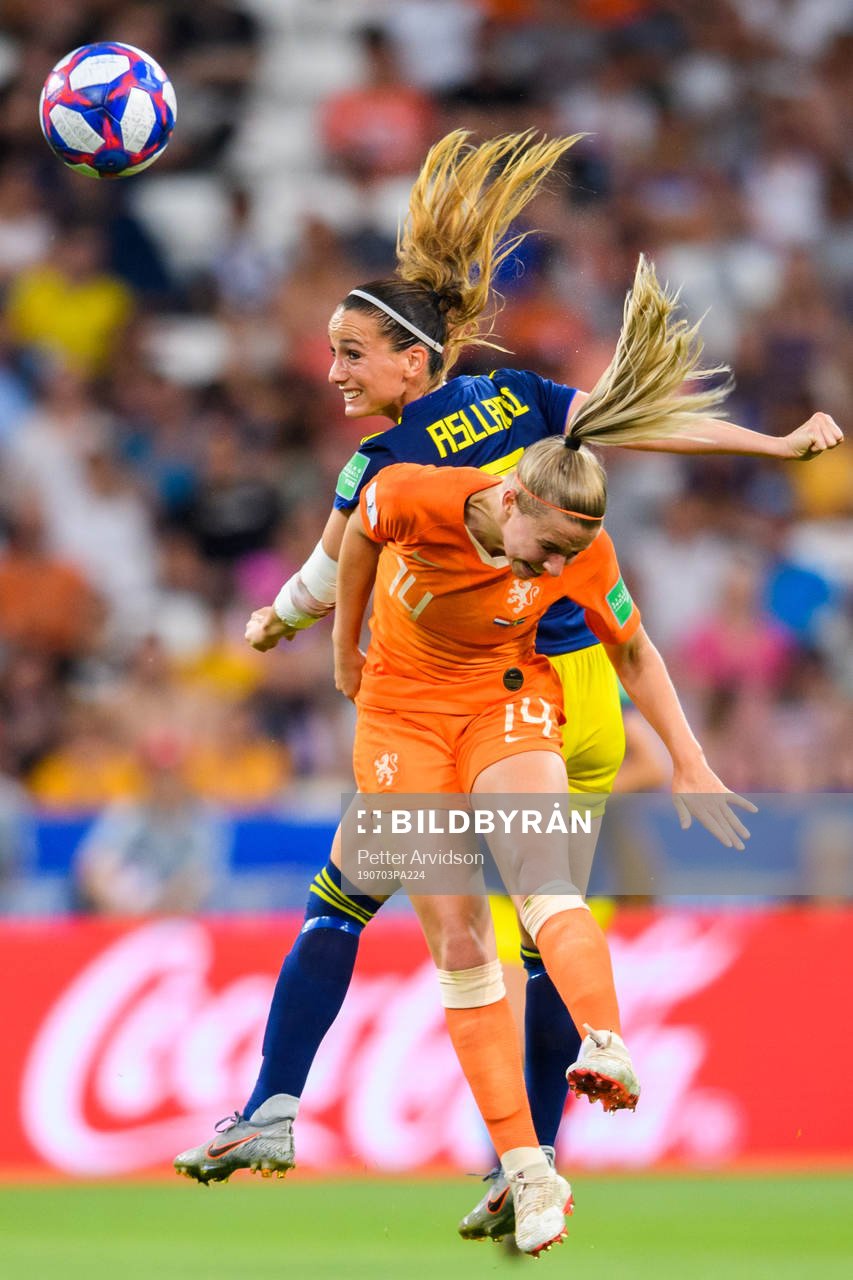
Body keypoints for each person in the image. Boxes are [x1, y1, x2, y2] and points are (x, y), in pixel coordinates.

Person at [174, 131, 842, 1237]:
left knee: (440, 926)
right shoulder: (517, 394)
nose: (333, 374)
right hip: (571, 681)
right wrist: (772, 445)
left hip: (496, 684)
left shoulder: (391, 468)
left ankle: (442, 1133)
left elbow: (334, 561)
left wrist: (292, 625)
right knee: (536, 922)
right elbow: (644, 420)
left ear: (412, 360)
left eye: (350, 355)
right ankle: (532, 1143)